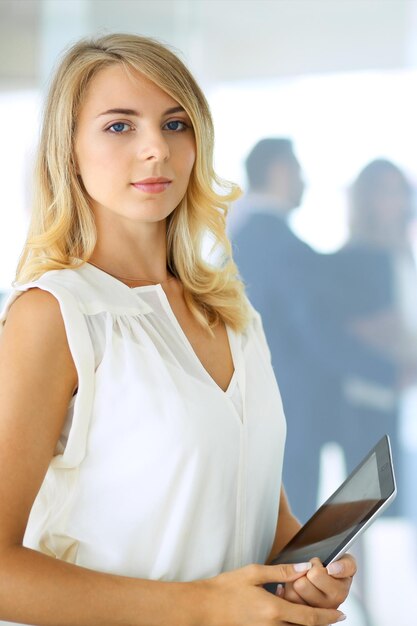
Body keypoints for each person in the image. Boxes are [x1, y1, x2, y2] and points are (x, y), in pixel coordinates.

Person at [0, 34, 354, 626]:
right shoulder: (53, 315)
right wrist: (202, 609)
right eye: (119, 127)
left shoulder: (231, 311)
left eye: (175, 123)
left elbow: (258, 505)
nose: (155, 151)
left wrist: (302, 575)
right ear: (68, 150)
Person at [231, 139, 397, 523]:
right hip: (293, 406)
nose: (304, 182)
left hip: (266, 400)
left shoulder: (245, 234)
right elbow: (315, 331)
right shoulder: (278, 242)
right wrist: (389, 370)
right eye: (298, 171)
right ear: (279, 171)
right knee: (294, 526)